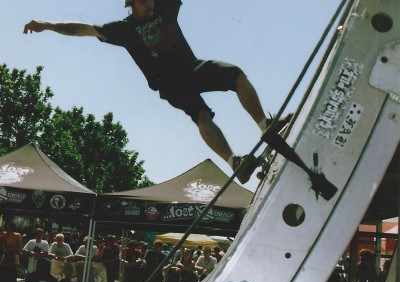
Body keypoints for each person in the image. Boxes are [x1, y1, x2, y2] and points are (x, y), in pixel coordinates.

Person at [23, 0, 289, 184]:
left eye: (150, 0)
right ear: (130, 3)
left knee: (235, 74)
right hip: (170, 84)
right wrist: (47, 24)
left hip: (191, 68)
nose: (148, 5)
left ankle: (265, 126)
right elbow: (81, 29)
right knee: (201, 116)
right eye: (141, 2)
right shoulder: (123, 29)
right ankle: (235, 163)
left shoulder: (164, 7)